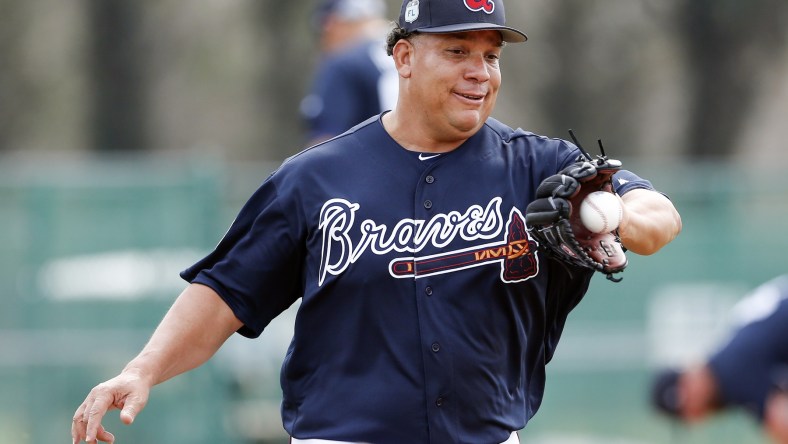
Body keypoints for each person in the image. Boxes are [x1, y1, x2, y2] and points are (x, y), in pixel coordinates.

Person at [72, 0, 682, 443]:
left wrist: (612, 216)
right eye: (458, 51)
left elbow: (661, 218)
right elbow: (226, 291)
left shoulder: (544, 167)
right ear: (403, 57)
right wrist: (142, 370)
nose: (481, 71)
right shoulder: (316, 177)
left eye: (491, 56)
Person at [651, 275, 788, 443]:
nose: (695, 416)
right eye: (685, 415)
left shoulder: (732, 371)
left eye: (687, 404)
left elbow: (781, 420)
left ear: (690, 375)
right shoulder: (730, 361)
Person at [300, 0, 399, 146]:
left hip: (367, 164)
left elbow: (325, 143)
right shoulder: (410, 53)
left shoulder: (342, 62)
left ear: (332, 23)